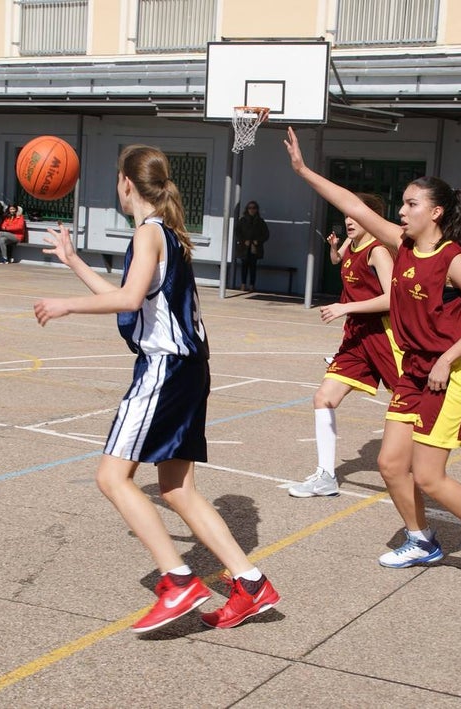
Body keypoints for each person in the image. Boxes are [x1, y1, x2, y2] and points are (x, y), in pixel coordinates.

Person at [33, 145, 279, 631]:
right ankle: (250, 584)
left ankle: (177, 580)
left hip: (165, 369)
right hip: (189, 368)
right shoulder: (164, 233)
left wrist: (65, 304)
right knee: (178, 488)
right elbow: (132, 303)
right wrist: (75, 262)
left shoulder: (148, 234)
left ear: (126, 182)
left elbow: (125, 297)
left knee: (111, 477)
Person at [284, 128, 461, 586]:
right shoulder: (402, 245)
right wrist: (302, 170)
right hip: (415, 371)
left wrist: (446, 358)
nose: (402, 210)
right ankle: (422, 540)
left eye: (412, 204)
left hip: (451, 373)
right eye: (402, 204)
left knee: (429, 477)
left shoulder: (454, 260)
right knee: (392, 465)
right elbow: (353, 205)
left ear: (435, 212)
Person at [290, 197, 461, 498]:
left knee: (421, 405)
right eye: (346, 216)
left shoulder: (379, 253)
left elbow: (391, 299)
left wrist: (347, 307)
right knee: (324, 398)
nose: (349, 221)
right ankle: (325, 476)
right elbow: (339, 261)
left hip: (388, 338)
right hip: (357, 338)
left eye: (355, 216)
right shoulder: (350, 248)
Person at [235, 200, 269, 291]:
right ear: (247, 209)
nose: (252, 210)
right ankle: (243, 284)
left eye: (254, 208)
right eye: (250, 208)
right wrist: (243, 241)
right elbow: (237, 233)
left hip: (255, 248)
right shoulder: (242, 220)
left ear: (257, 209)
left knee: (253, 267)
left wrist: (258, 241)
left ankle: (252, 285)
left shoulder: (260, 222)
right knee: (244, 266)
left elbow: (266, 235)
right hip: (244, 248)